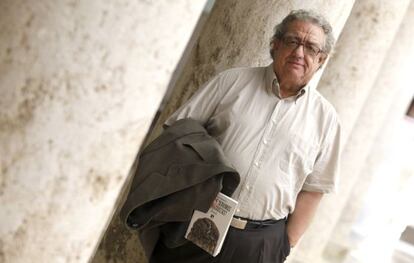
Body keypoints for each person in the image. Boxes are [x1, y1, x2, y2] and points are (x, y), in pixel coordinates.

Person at [154, 9, 341, 263]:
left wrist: (284, 245)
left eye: (310, 48)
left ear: (321, 60)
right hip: (196, 221)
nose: (299, 52)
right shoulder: (230, 82)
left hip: (260, 245)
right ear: (274, 45)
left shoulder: (326, 119)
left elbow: (313, 190)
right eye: (292, 41)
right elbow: (176, 136)